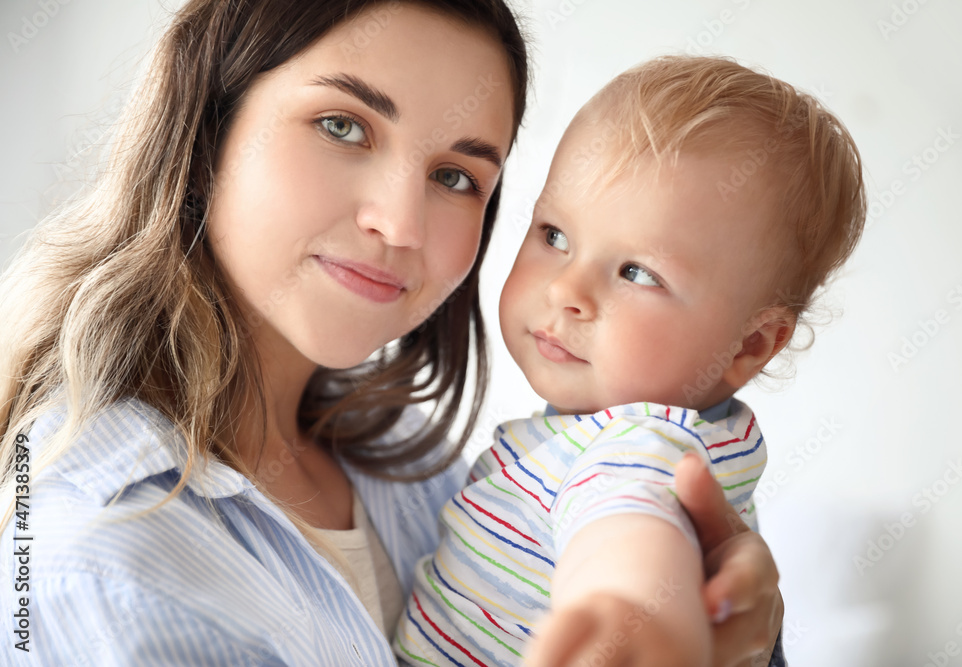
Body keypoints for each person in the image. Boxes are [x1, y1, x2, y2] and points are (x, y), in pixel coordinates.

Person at [0, 2, 784, 665]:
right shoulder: (95, 551)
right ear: (208, 123)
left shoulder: (420, 467)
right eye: (343, 126)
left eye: (455, 177)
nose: (401, 224)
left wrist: (738, 637)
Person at [396, 55, 866, 667]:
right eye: (555, 235)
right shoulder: (618, 434)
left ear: (750, 346)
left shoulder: (642, 442)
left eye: (637, 272)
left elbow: (629, 531)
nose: (567, 290)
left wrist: (634, 618)